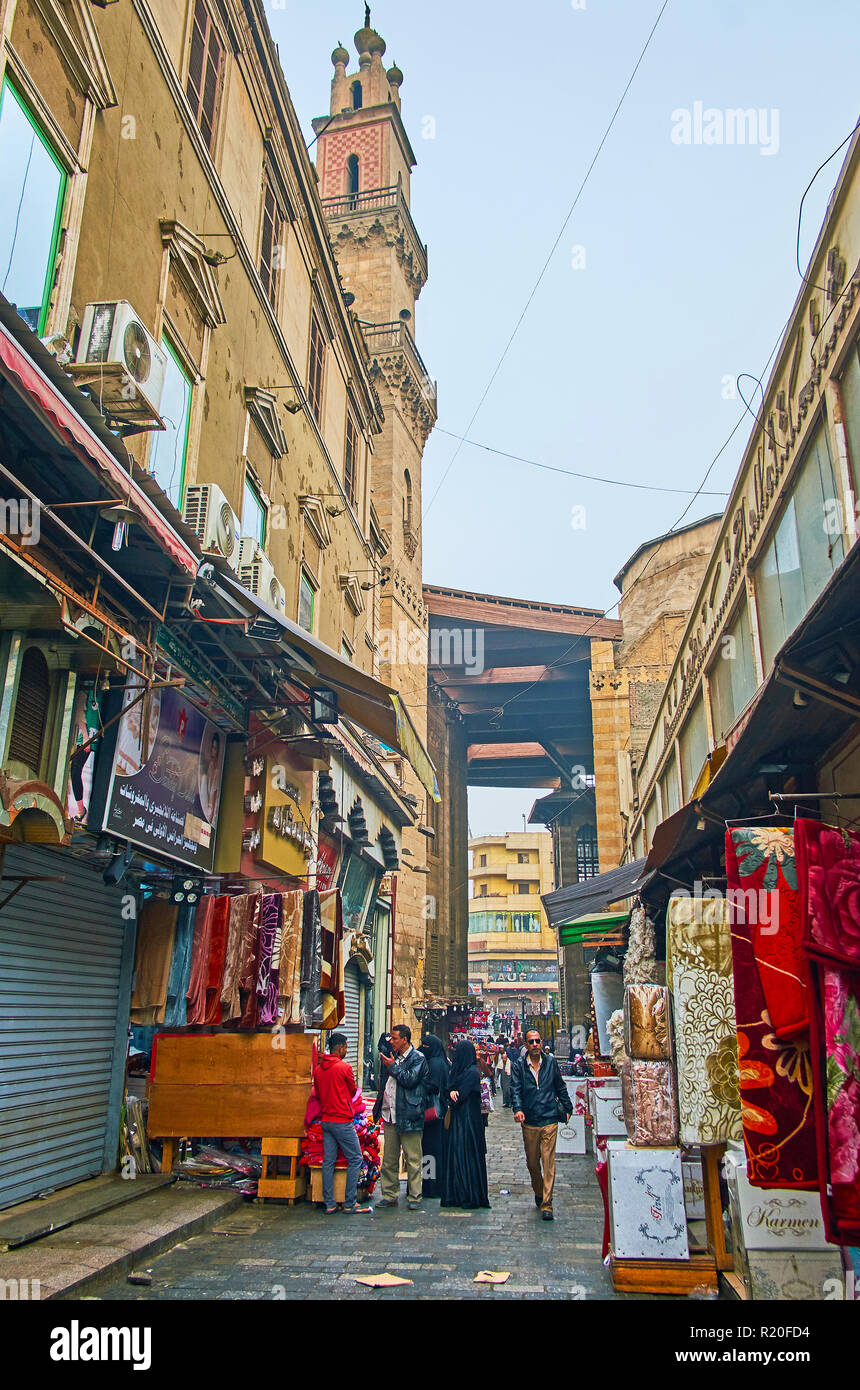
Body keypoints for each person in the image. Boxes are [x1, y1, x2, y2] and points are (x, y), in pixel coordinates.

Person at [510, 1028, 573, 1221]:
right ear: (526, 1045)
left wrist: (568, 1107)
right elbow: (515, 1089)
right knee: (532, 1163)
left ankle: (547, 1203)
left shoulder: (551, 1062)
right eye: (531, 1042)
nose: (535, 1045)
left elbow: (559, 1085)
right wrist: (518, 1109)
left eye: (538, 1041)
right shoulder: (519, 1065)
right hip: (530, 1120)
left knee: (548, 1162)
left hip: (549, 1119)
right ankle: (538, 1191)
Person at [374, 1023, 431, 1211]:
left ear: (405, 1039)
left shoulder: (418, 1059)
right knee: (389, 1159)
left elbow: (410, 1080)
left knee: (413, 1158)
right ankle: (389, 1194)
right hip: (390, 1114)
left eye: (395, 1038)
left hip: (409, 1113)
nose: (391, 1041)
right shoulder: (392, 1057)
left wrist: (393, 1067)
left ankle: (415, 1195)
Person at [312, 1033, 370, 1214]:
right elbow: (353, 1090)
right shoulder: (344, 1068)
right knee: (355, 1158)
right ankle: (349, 1202)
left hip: (326, 1120)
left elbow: (319, 1094)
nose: (346, 1050)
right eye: (346, 1047)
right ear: (341, 1048)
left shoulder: (319, 1069)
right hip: (342, 1120)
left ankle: (329, 1203)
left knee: (328, 1161)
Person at [441, 1041, 489, 1209]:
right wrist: (451, 1092)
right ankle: (459, 1192)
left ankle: (466, 1193)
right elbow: (449, 1090)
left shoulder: (470, 1073)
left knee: (464, 1155)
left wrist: (453, 1093)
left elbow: (460, 1095)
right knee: (459, 1155)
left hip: (467, 1121)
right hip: (461, 1119)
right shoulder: (460, 1071)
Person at [419, 1034, 450, 1198]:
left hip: (432, 1115)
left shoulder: (434, 1064)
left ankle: (430, 1185)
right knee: (436, 1150)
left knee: (429, 1151)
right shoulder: (442, 1061)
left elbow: (432, 1086)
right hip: (440, 1113)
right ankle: (435, 1184)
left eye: (425, 1046)